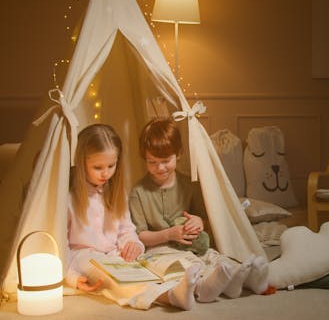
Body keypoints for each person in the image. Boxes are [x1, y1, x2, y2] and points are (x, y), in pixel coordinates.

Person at [129, 118, 270, 300]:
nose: (159, 168)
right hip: (160, 249)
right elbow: (141, 235)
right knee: (184, 266)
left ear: (178, 154)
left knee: (214, 257)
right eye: (152, 162)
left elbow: (206, 219)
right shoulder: (138, 192)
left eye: (165, 160)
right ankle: (204, 289)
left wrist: (199, 222)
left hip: (194, 245)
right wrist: (169, 235)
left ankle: (245, 280)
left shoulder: (190, 184)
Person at [65, 123, 200, 310]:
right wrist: (72, 277)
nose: (106, 173)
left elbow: (127, 229)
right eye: (98, 167)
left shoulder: (116, 193)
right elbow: (60, 246)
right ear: (82, 164)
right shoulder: (69, 199)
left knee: (140, 271)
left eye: (111, 166)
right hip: (83, 257)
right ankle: (169, 297)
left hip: (114, 254)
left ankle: (179, 288)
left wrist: (133, 244)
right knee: (114, 281)